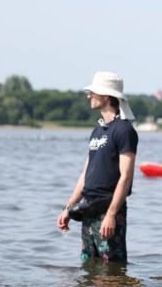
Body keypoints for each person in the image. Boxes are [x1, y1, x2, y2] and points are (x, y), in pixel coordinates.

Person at [57, 71, 139, 264]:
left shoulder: (124, 130)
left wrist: (111, 215)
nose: (89, 96)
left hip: (108, 209)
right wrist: (68, 208)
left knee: (111, 272)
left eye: (93, 92)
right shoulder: (97, 130)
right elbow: (85, 175)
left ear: (106, 95)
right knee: (88, 267)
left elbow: (126, 177)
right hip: (87, 208)